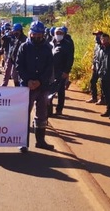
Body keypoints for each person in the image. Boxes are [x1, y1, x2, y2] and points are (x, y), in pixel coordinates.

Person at [16, 21, 55, 151]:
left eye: (40, 34)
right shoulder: (24, 47)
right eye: (35, 34)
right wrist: (28, 81)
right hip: (27, 86)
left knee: (42, 114)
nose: (37, 36)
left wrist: (40, 81)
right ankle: (23, 142)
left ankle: (40, 141)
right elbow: (19, 66)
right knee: (24, 114)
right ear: (30, 34)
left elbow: (49, 68)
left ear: (43, 34)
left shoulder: (48, 48)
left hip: (42, 87)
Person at [50, 26, 75, 116]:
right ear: (54, 34)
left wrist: (66, 72)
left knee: (60, 91)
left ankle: (59, 109)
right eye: (57, 33)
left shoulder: (67, 45)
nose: (59, 35)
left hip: (61, 71)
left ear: (63, 34)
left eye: (61, 33)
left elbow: (70, 59)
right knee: (49, 91)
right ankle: (49, 110)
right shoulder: (50, 43)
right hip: (51, 71)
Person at [86, 30, 104, 105]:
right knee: (92, 81)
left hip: (102, 68)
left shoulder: (104, 45)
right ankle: (94, 97)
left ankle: (103, 99)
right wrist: (93, 64)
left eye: (98, 35)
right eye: (96, 35)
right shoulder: (96, 45)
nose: (96, 37)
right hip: (96, 66)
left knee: (102, 84)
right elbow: (95, 56)